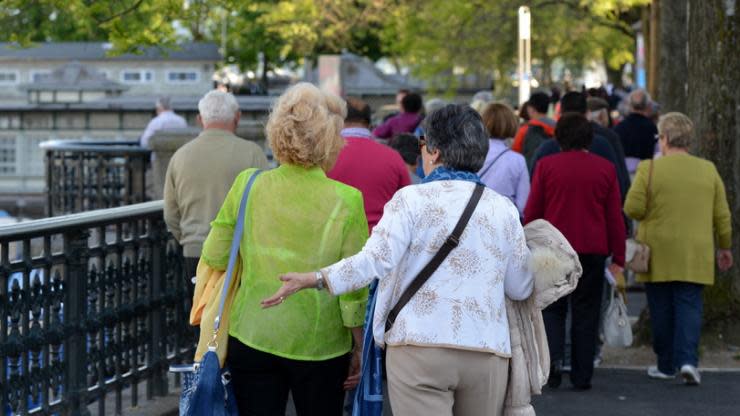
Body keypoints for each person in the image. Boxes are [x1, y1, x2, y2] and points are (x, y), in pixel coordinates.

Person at [263, 104, 534, 416]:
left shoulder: (410, 200)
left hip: (418, 345)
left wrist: (315, 278)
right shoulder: (502, 209)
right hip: (486, 349)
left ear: (433, 151)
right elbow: (521, 286)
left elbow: (374, 260)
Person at [200, 83, 368, 415]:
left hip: (253, 332)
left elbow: (216, 254)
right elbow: (352, 283)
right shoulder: (347, 199)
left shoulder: (249, 184)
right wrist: (360, 345)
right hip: (321, 342)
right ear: (330, 140)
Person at [623, 112, 733, 385]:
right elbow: (722, 215)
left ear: (666, 139)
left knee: (660, 309)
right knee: (690, 307)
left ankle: (665, 364)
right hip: (696, 251)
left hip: (657, 250)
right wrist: (725, 246)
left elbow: (632, 208)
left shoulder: (649, 169)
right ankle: (687, 361)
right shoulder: (708, 169)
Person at [525, 113, 625, 390]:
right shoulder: (605, 168)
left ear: (559, 138)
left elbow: (534, 211)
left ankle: (553, 364)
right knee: (586, 312)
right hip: (592, 248)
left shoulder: (546, 166)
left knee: (553, 308)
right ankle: (583, 373)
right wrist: (619, 255)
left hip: (554, 249)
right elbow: (613, 216)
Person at [163, 90, 268, 283]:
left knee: (201, 312)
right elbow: (265, 206)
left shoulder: (180, 156)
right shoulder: (253, 153)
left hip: (195, 250)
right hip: (239, 251)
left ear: (199, 119)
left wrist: (189, 239)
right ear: (237, 117)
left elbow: (171, 214)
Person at [328, 97, 411, 230]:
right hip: (381, 241)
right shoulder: (393, 157)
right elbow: (408, 206)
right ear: (369, 124)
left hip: (334, 241)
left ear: (338, 122)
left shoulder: (324, 156)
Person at [531, 92, 630, 200]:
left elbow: (534, 189)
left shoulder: (547, 148)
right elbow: (621, 185)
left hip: (555, 214)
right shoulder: (605, 142)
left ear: (560, 113)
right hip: (596, 212)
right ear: (587, 113)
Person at [478, 102, 529, 217]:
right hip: (505, 221)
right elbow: (522, 205)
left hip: (473, 219)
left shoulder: (470, 155)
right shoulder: (518, 160)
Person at [614, 89, 658, 173]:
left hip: (623, 172)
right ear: (648, 105)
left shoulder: (619, 127)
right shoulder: (652, 127)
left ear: (629, 105)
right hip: (647, 172)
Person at [511, 92, 556, 170]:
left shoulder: (525, 130)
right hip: (552, 172)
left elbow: (515, 155)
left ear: (531, 109)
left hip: (530, 174)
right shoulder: (557, 127)